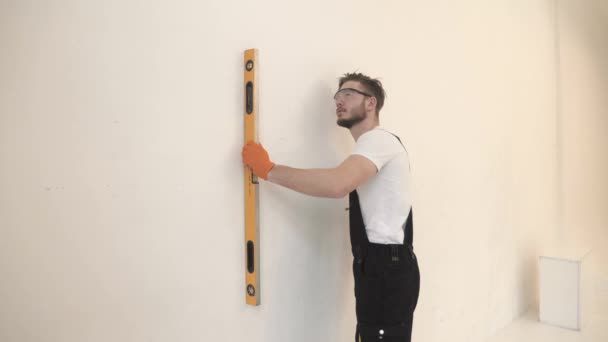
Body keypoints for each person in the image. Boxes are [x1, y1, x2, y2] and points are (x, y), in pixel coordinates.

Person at [242, 72, 420, 342]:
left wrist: (269, 170)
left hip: (386, 268)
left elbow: (337, 184)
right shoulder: (373, 146)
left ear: (371, 103)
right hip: (384, 267)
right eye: (337, 96)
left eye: (349, 94)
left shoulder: (378, 140)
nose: (339, 100)